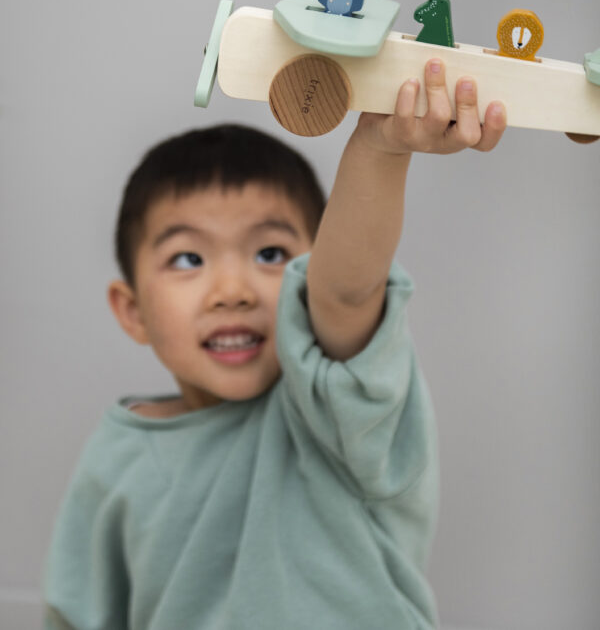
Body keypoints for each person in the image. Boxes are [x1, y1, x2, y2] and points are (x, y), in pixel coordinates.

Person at [43, 61, 507, 630]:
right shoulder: (112, 460)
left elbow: (346, 290)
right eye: (188, 258)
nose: (233, 292)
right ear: (132, 310)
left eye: (269, 254)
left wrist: (379, 149)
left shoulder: (338, 413)